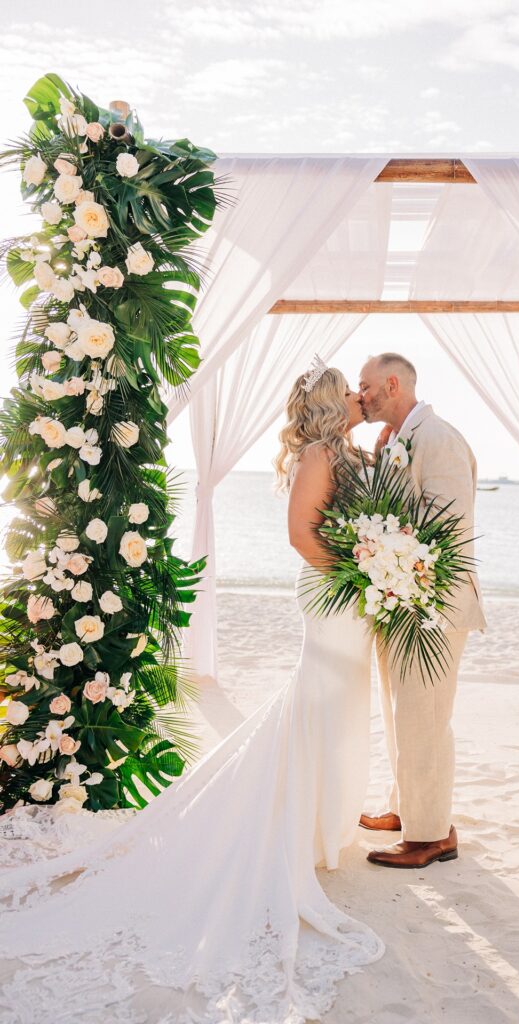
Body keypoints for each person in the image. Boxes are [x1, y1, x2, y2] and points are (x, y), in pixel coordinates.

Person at [0, 363, 384, 1024]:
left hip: (349, 596)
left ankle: (319, 826)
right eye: (348, 387)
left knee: (336, 708)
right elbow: (300, 536)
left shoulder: (343, 451)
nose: (357, 395)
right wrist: (359, 572)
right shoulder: (322, 453)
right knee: (319, 704)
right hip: (334, 597)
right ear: (329, 403)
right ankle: (299, 828)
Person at [357, 352, 486, 869]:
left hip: (435, 604)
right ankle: (406, 808)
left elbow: (445, 528)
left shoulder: (438, 439)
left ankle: (431, 835)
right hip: (403, 599)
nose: (360, 396)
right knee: (400, 714)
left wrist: (388, 480)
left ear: (392, 384)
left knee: (425, 718)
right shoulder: (397, 440)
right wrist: (381, 464)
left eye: (366, 386)